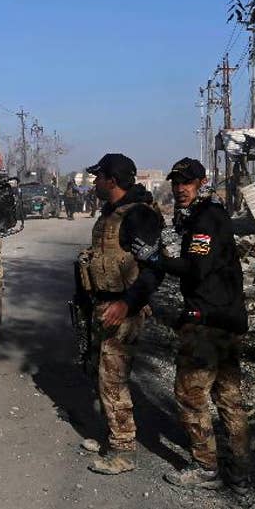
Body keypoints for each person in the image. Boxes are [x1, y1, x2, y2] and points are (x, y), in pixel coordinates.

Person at [130, 158, 249, 492]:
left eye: (187, 182)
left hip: (207, 322)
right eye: (176, 183)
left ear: (202, 182)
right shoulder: (206, 213)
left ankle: (207, 468)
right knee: (229, 395)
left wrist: (158, 260)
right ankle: (240, 471)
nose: (180, 188)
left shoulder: (206, 219)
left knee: (190, 394)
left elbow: (195, 268)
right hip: (227, 317)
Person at [78, 153, 165, 475]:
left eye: (98, 177)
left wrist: (127, 303)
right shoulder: (111, 212)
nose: (95, 182)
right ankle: (111, 435)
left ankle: (123, 449)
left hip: (122, 308)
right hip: (103, 304)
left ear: (111, 181)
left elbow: (154, 270)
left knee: (113, 379)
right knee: (99, 372)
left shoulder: (137, 216)